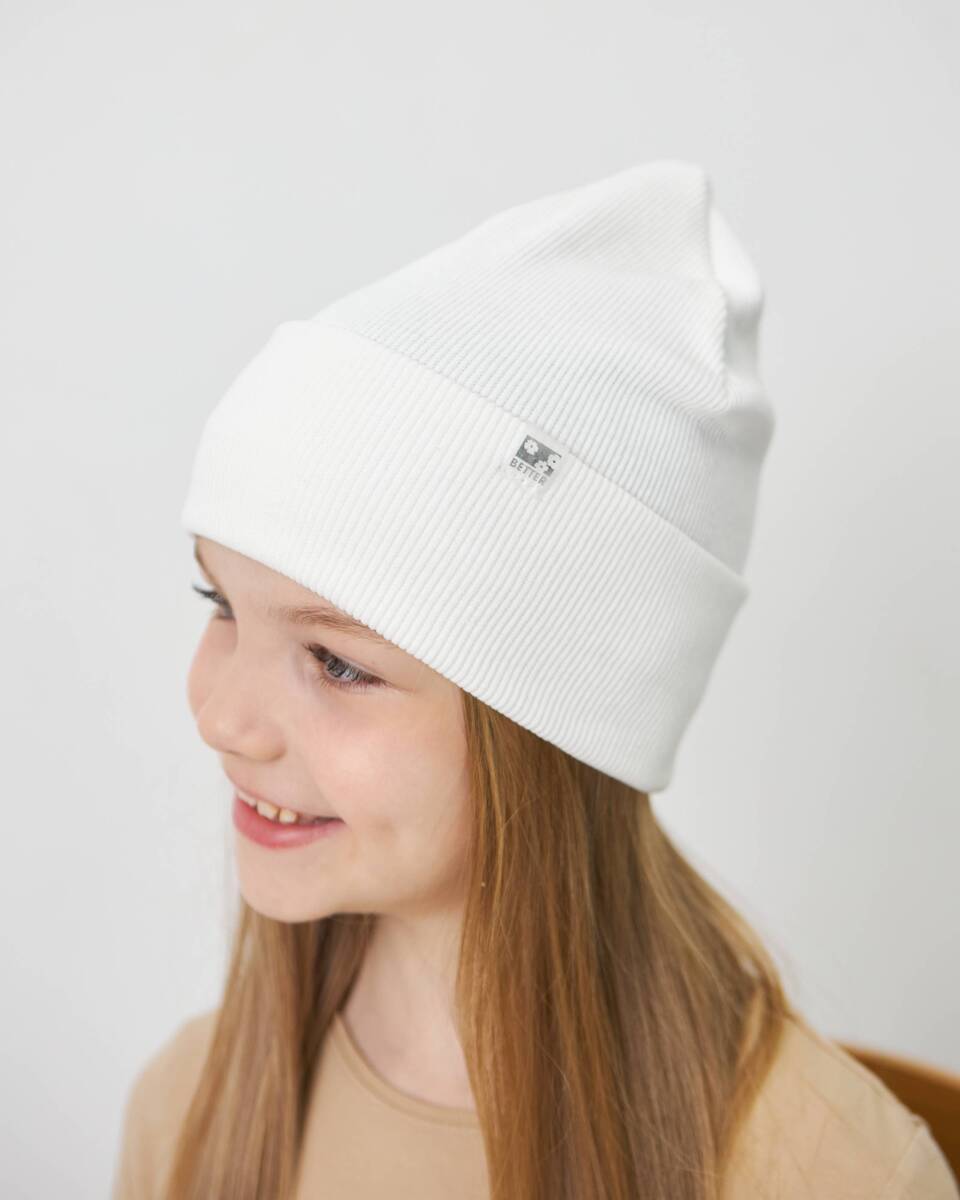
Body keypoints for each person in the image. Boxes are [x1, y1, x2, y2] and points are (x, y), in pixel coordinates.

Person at [110, 160, 960, 1200]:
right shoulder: (192, 1109)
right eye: (221, 606)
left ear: (555, 725)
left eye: (337, 662)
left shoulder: (827, 1171)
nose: (222, 716)